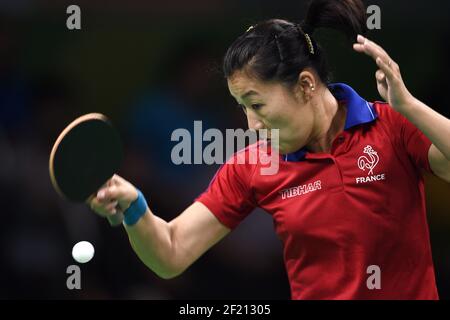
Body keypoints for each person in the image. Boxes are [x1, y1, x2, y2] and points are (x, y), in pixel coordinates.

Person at [90, 0, 450, 299]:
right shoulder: (252, 166)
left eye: (257, 104)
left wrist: (410, 108)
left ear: (306, 85)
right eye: (242, 106)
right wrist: (134, 207)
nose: (251, 124)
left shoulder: (390, 126)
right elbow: (171, 252)